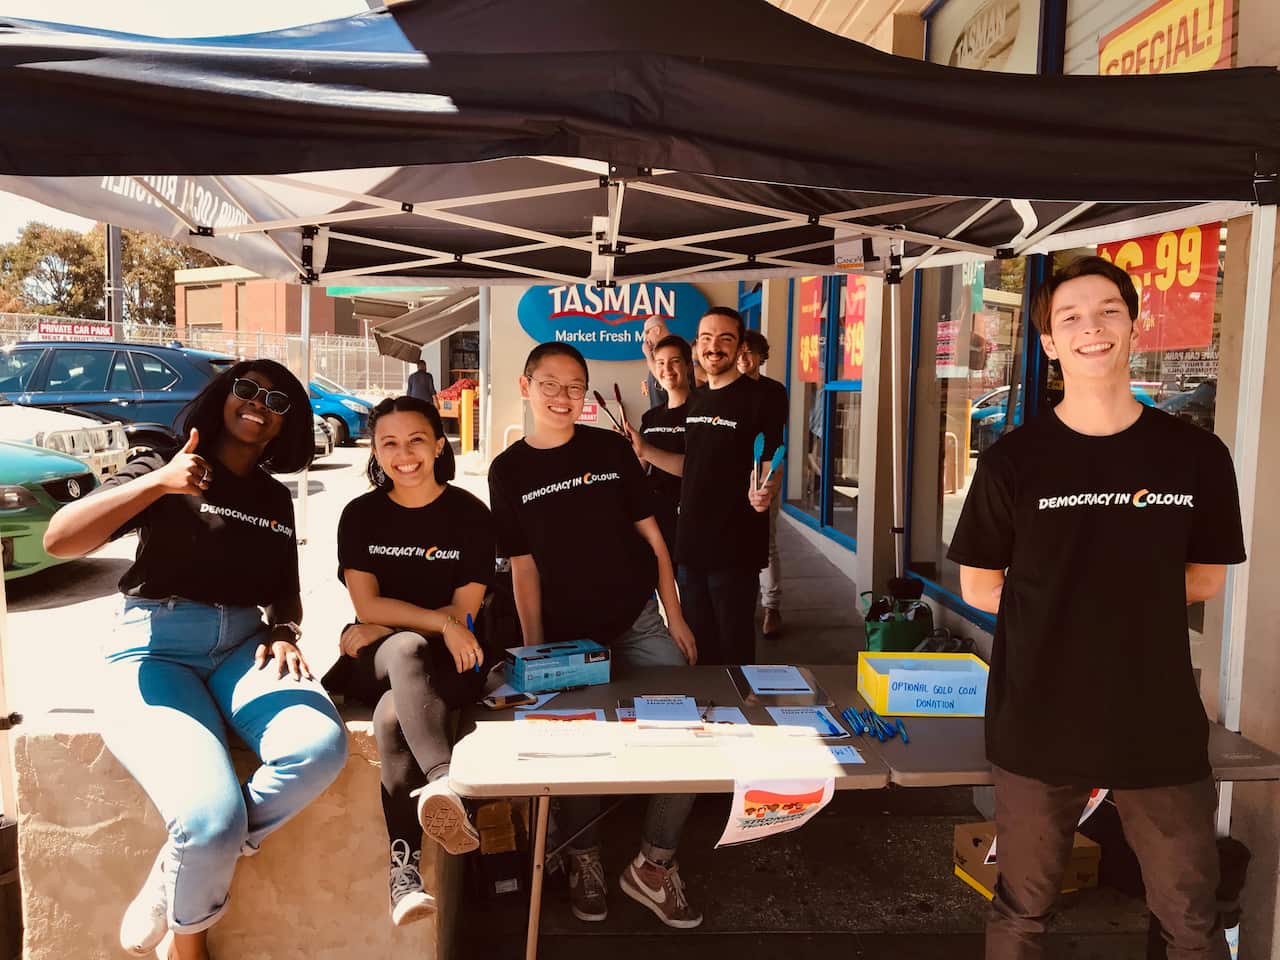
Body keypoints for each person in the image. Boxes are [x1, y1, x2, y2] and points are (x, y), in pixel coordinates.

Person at [948, 256, 1245, 960]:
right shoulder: (1013, 461)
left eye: (1109, 311)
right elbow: (979, 588)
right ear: (1049, 342)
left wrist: (1092, 598)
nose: (1093, 328)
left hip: (1158, 722)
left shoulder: (1196, 455)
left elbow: (1206, 578)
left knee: (1190, 921)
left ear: (1135, 326)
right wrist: (1100, 601)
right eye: (1071, 317)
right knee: (1023, 911)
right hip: (1038, 720)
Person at [43, 360, 348, 960]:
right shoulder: (162, 461)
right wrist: (158, 484)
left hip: (241, 646)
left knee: (319, 747)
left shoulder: (272, 497)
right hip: (154, 646)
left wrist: (285, 629)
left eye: (277, 402)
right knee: (209, 818)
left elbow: (284, 590)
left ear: (286, 425)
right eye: (247, 389)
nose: (258, 404)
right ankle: (189, 943)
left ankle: (178, 862)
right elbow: (60, 539)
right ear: (222, 395)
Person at [488, 342, 702, 930]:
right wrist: (534, 653)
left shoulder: (609, 449)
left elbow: (653, 537)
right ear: (526, 386)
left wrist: (675, 614)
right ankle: (584, 856)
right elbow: (523, 567)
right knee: (575, 745)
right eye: (550, 384)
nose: (563, 397)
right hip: (568, 639)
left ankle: (654, 863)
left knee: (692, 730)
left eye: (575, 386)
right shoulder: (508, 470)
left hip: (637, 620)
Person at [323, 395, 493, 927]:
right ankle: (443, 782)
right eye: (389, 443)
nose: (404, 454)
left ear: (439, 444)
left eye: (417, 440)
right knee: (406, 648)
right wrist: (431, 624)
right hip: (381, 657)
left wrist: (395, 623)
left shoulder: (470, 515)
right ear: (375, 451)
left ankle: (405, 874)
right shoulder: (361, 515)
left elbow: (465, 611)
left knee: (394, 713)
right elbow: (366, 607)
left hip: (450, 662)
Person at [629, 308, 786, 666]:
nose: (714, 347)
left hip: (734, 545)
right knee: (698, 649)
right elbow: (691, 468)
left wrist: (767, 489)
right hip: (691, 544)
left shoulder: (761, 396)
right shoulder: (697, 400)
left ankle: (738, 703)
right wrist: (645, 450)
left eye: (725, 339)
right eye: (706, 339)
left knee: (733, 649)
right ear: (697, 345)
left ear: (740, 346)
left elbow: (771, 461)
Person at [737, 330, 789, 637]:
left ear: (760, 355)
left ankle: (771, 607)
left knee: (765, 539)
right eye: (739, 351)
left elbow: (773, 436)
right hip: (730, 473)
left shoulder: (774, 391)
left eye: (750, 352)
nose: (744, 357)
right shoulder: (724, 389)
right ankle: (743, 602)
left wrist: (767, 475)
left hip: (765, 468)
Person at [636, 334, 693, 560]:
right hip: (657, 516)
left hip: (690, 515)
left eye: (674, 361)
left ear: (688, 366)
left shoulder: (702, 412)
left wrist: (645, 450)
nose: (666, 369)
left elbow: (696, 468)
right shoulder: (651, 417)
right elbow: (640, 469)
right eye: (660, 363)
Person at [639, 316, 670, 409]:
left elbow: (665, 379)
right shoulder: (659, 350)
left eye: (647, 332)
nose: (646, 338)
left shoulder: (671, 348)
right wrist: (650, 383)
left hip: (670, 414)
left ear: (657, 330)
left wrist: (648, 355)